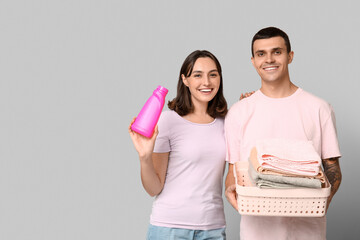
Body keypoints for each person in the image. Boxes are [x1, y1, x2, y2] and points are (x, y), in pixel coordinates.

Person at [224, 27, 342, 240]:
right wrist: (232, 191)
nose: (269, 59)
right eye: (261, 54)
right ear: (253, 61)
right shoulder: (239, 112)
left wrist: (321, 200)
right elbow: (233, 171)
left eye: (277, 52)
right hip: (256, 232)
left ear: (290, 56)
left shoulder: (319, 108)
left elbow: (333, 169)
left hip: (308, 232)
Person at [129, 50, 230, 240]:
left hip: (213, 229)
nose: (206, 82)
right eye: (198, 75)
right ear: (185, 80)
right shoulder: (168, 121)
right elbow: (154, 188)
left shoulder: (227, 122)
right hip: (169, 228)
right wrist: (144, 158)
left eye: (213, 74)